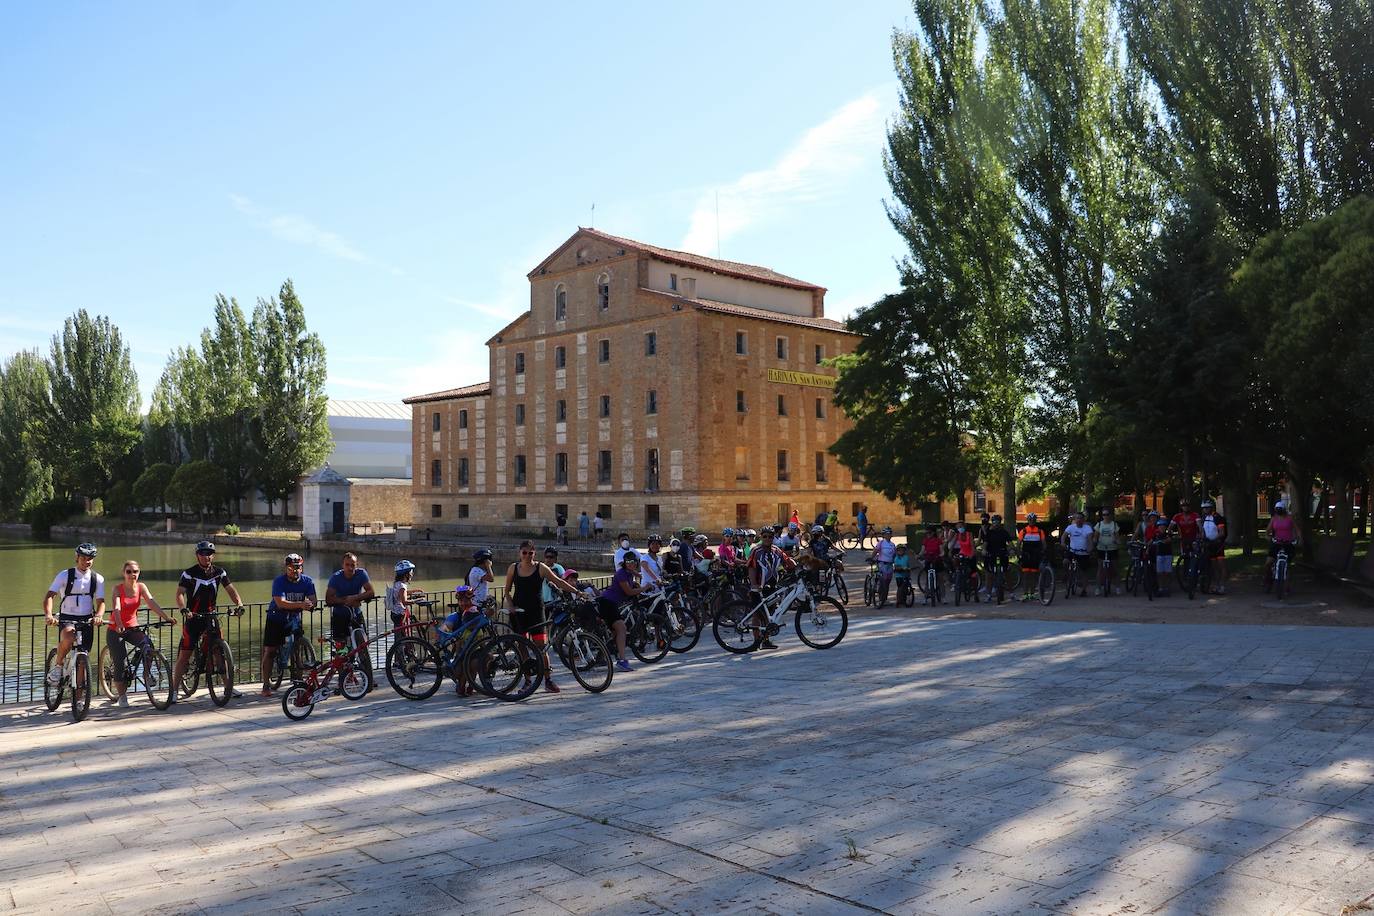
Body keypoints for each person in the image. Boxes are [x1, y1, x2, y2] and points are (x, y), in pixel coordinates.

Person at [172, 541, 244, 703]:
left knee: (219, 651)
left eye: (210, 553)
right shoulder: (189, 573)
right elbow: (179, 593)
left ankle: (228, 686)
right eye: (203, 553)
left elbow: (231, 590)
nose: (207, 556)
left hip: (211, 617)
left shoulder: (219, 572)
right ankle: (174, 690)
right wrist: (183, 609)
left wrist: (239, 604)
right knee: (185, 655)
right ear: (197, 555)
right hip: (194, 617)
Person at [504, 539, 580, 692]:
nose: (527, 556)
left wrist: (577, 592)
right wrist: (511, 605)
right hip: (519, 612)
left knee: (542, 648)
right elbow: (507, 591)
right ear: (519, 553)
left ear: (534, 554)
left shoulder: (541, 568)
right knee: (522, 646)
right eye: (524, 553)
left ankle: (548, 680)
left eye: (530, 553)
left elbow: (559, 582)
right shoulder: (513, 568)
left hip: (536, 612)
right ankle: (527, 680)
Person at [105, 559, 174, 707]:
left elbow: (151, 603)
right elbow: (116, 608)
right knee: (120, 662)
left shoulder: (141, 587)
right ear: (123, 573)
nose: (132, 575)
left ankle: (146, 674)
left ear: (139, 572)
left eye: (135, 572)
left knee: (148, 646)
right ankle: (122, 696)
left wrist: (166, 617)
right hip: (116, 629)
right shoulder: (117, 589)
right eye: (129, 572)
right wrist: (119, 624)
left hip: (132, 628)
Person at [43, 543, 106, 692]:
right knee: (69, 637)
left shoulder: (97, 578)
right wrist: (49, 615)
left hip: (87, 619)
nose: (86, 561)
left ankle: (78, 700)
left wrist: (98, 616)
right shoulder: (65, 575)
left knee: (83, 659)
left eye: (90, 559)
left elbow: (101, 602)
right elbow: (49, 596)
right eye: (83, 558)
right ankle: (58, 666)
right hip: (67, 617)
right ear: (77, 558)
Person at [260, 553, 317, 698]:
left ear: (301, 568)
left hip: (294, 618)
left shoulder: (307, 581)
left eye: (298, 567)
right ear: (286, 568)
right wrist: (301, 604)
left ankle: (299, 682)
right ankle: (266, 684)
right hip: (276, 618)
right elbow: (280, 603)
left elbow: (313, 600)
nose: (295, 570)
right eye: (291, 568)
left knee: (298, 650)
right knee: (270, 651)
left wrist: (310, 605)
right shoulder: (279, 581)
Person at [746, 527, 797, 649]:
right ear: (761, 537)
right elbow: (751, 568)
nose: (767, 539)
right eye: (765, 536)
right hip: (759, 587)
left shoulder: (776, 550)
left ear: (773, 538)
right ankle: (756, 641)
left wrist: (794, 563)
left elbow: (787, 561)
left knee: (770, 614)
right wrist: (754, 584)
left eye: (770, 537)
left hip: (772, 586)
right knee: (757, 615)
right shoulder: (756, 551)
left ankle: (766, 641)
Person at [597, 551, 644, 671]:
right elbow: (628, 591)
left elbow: (637, 575)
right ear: (624, 563)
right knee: (621, 628)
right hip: (608, 602)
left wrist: (638, 581)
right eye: (628, 562)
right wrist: (644, 587)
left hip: (613, 603)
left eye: (633, 561)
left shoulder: (629, 572)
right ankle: (622, 661)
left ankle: (601, 656)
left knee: (615, 632)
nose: (631, 564)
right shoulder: (621, 573)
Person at [326, 552, 375, 644]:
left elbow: (371, 592)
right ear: (342, 565)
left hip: (357, 614)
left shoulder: (361, 574)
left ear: (356, 565)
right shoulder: (335, 577)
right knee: (342, 648)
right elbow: (328, 599)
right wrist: (346, 600)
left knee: (363, 645)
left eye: (353, 565)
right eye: (347, 565)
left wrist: (354, 598)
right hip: (340, 616)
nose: (350, 568)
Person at [1266, 500, 1300, 585]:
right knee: (1268, 563)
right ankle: (1268, 578)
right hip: (1277, 543)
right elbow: (1268, 530)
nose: (1278, 511)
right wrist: (1268, 536)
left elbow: (1297, 530)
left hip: (1288, 543)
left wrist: (1298, 539)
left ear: (1284, 509)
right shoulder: (1274, 519)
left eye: (1280, 509)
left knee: (1288, 565)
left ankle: (1286, 585)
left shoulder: (1290, 518)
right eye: (1277, 509)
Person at [1061, 512, 1095, 597]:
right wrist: (1063, 543)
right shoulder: (1071, 527)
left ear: (1083, 520)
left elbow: (1090, 539)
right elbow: (1064, 536)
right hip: (1072, 551)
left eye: (1080, 518)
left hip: (1083, 552)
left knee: (1084, 571)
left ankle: (1084, 590)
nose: (1079, 520)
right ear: (1075, 519)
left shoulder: (1087, 528)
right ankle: (1066, 574)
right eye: (1077, 518)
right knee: (1065, 561)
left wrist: (1090, 548)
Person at [982, 515, 1013, 603]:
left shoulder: (1004, 532)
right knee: (989, 575)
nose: (996, 523)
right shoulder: (989, 532)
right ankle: (988, 595)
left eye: (997, 521)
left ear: (1000, 522)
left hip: (1002, 553)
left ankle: (1011, 594)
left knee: (1007, 573)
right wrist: (984, 550)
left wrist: (1011, 550)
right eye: (994, 521)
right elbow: (985, 543)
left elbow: (1010, 543)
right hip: (991, 554)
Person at [1199, 499, 1227, 593]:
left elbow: (1222, 533)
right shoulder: (1204, 518)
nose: (1205, 510)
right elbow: (1203, 531)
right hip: (1208, 545)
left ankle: (1222, 586)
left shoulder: (1217, 517)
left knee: (1221, 565)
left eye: (1207, 508)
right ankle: (1215, 585)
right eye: (1204, 508)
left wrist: (1214, 540)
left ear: (1211, 508)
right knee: (1213, 567)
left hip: (1218, 545)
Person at [386, 559, 424, 627]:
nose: (412, 574)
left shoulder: (397, 583)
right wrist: (418, 600)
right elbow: (404, 602)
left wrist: (415, 591)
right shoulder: (402, 586)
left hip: (394, 613)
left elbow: (401, 594)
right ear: (406, 574)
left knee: (398, 631)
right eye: (411, 572)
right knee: (402, 632)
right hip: (400, 614)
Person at [1018, 514, 1046, 601]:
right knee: (1026, 575)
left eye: (1033, 520)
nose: (1032, 522)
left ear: (1035, 521)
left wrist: (1043, 551)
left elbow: (1043, 543)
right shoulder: (1024, 531)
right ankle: (1025, 594)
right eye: (1030, 520)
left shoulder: (1040, 531)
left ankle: (1032, 593)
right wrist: (1019, 554)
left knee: (1034, 575)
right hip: (1026, 555)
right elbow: (1019, 543)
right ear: (1028, 521)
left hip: (1035, 555)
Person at [1093, 508, 1121, 596]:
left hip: (1112, 548)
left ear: (1110, 515)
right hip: (1101, 548)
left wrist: (1117, 541)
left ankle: (1117, 587)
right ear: (1102, 516)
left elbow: (1117, 537)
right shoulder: (1099, 524)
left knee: (1115, 568)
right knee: (1100, 568)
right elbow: (1095, 536)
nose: (1106, 516)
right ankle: (1098, 588)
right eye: (1104, 515)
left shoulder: (1114, 525)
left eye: (1107, 514)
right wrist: (1095, 541)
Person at [870, 526, 897, 606]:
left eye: (890, 533)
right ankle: (881, 598)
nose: (888, 535)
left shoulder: (892, 545)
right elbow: (875, 551)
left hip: (890, 565)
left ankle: (884, 599)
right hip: (882, 564)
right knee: (883, 582)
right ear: (884, 535)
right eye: (887, 534)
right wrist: (871, 558)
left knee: (887, 582)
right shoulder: (881, 543)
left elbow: (894, 555)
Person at [919, 526, 945, 599]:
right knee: (928, 579)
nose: (928, 534)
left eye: (929, 533)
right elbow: (922, 551)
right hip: (928, 560)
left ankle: (943, 597)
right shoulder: (925, 540)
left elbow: (942, 551)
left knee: (940, 579)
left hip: (937, 560)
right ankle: (926, 597)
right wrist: (919, 555)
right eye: (926, 533)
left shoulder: (938, 540)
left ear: (933, 533)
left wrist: (941, 555)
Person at [953, 520, 977, 593]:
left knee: (973, 572)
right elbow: (953, 544)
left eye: (961, 526)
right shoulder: (957, 535)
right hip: (962, 552)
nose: (960, 528)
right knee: (956, 561)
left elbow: (972, 545)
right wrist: (950, 552)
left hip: (970, 553)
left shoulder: (969, 534)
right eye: (958, 527)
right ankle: (957, 577)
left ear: (964, 527)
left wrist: (972, 554)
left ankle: (974, 589)